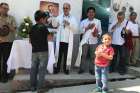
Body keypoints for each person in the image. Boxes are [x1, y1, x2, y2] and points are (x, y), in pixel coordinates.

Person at [75, 7, 102, 75]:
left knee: (93, 56)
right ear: (87, 13)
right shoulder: (83, 21)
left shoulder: (98, 21)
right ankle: (81, 69)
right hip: (85, 41)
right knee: (83, 55)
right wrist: (88, 28)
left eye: (92, 12)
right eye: (89, 12)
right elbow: (80, 31)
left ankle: (91, 69)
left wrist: (97, 34)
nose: (91, 13)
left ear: (94, 13)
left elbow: (100, 31)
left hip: (94, 41)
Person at [54, 2, 78, 74]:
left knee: (67, 56)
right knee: (58, 55)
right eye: (64, 8)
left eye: (66, 8)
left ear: (69, 9)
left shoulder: (73, 18)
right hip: (60, 40)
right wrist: (54, 22)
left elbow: (76, 30)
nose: (65, 9)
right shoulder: (59, 17)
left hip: (68, 40)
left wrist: (69, 25)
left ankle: (66, 69)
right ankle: (57, 69)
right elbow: (54, 25)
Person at [29, 10, 50, 93]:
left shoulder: (32, 27)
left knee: (33, 69)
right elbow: (49, 38)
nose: (45, 20)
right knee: (42, 70)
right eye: (45, 18)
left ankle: (32, 87)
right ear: (41, 19)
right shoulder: (43, 27)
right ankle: (40, 88)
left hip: (34, 51)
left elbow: (30, 41)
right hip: (43, 51)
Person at [0, 2, 16, 82]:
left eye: (7, 8)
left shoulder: (11, 18)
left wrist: (8, 23)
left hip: (8, 42)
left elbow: (14, 30)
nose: (6, 10)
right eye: (4, 8)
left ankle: (4, 76)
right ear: (0, 8)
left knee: (6, 60)